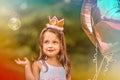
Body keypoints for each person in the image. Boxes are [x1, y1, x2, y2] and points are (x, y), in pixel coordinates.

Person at [15, 16, 71, 80]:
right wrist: (27, 66)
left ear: (61, 45)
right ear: (41, 45)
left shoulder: (65, 66)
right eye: (46, 42)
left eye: (54, 42)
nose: (50, 45)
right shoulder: (38, 64)